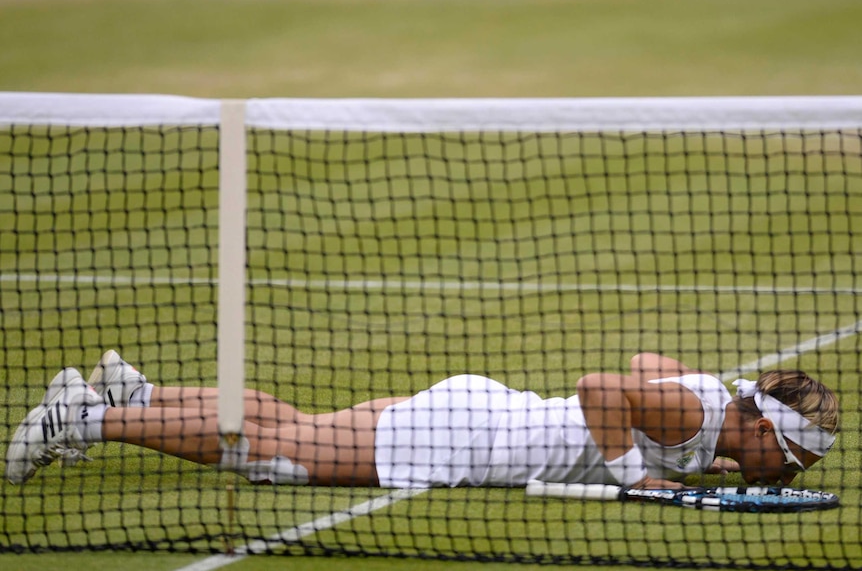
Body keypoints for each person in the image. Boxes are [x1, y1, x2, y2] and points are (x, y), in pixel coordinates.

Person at [5, 351, 839, 490]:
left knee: (292, 423)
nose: (792, 477)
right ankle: (88, 420)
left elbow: (649, 363)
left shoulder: (703, 411)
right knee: (275, 454)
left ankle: (139, 400)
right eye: (795, 462)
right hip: (468, 437)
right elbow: (600, 384)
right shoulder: (696, 408)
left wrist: (693, 463)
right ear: (767, 432)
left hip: (478, 411)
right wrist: (641, 477)